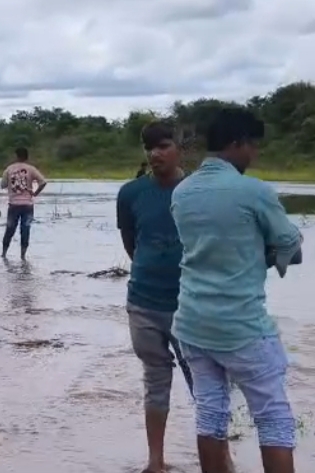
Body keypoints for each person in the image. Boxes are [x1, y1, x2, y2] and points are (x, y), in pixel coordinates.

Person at [171, 107, 301, 473]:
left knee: (210, 412)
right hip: (241, 327)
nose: (254, 154)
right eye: (252, 146)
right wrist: (271, 254)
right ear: (236, 143)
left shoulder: (182, 192)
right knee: (273, 416)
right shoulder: (253, 191)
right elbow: (290, 242)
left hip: (193, 325)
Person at [116, 122, 192, 473]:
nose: (155, 154)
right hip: (144, 302)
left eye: (163, 146)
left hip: (191, 303)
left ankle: (221, 458)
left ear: (179, 147)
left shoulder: (196, 191)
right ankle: (155, 461)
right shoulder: (130, 193)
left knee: (204, 383)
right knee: (155, 381)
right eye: (150, 148)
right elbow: (132, 244)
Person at [0, 147, 48, 260]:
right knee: (25, 229)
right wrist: (35, 193)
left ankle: (4, 253)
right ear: (27, 157)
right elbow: (43, 182)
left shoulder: (9, 169)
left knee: (10, 229)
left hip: (13, 205)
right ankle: (23, 256)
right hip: (27, 205)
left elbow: (3, 185)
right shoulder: (31, 169)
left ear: (16, 156)